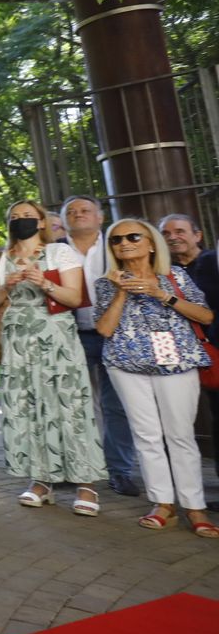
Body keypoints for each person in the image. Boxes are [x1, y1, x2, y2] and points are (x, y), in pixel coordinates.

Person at [94, 218, 218, 538]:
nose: (124, 243)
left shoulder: (174, 276)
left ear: (151, 243)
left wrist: (161, 294)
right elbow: (105, 330)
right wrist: (121, 291)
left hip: (177, 363)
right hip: (126, 364)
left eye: (133, 236)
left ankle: (194, 506)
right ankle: (163, 503)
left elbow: (205, 316)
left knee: (180, 436)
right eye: (116, 240)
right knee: (146, 435)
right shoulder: (105, 283)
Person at [0, 199, 106, 514]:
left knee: (70, 406)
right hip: (18, 342)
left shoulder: (59, 252)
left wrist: (45, 282)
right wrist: (7, 288)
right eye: (14, 216)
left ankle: (86, 484)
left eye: (27, 216)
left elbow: (75, 297)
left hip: (57, 338)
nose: (20, 220)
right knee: (28, 408)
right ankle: (41, 481)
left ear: (41, 222)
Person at [61, 194, 140, 496]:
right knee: (72, 405)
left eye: (85, 210)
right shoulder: (54, 250)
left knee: (115, 405)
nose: (78, 214)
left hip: (117, 333)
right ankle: (77, 467)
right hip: (71, 334)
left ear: (100, 217)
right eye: (71, 211)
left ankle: (119, 471)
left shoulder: (117, 246)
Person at [160, 213, 219, 495]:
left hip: (214, 348)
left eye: (180, 231)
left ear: (197, 235)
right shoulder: (159, 271)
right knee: (175, 420)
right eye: (166, 233)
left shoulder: (212, 263)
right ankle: (178, 489)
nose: (173, 237)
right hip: (174, 353)